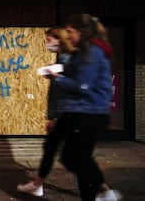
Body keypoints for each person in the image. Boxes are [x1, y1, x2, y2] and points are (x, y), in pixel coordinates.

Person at [47, 13, 121, 201]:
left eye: (70, 31)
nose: (68, 35)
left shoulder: (91, 51)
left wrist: (59, 79)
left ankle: (99, 194)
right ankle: (105, 192)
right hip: (85, 112)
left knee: (78, 160)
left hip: (89, 113)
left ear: (81, 31)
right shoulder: (86, 51)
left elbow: (82, 86)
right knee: (75, 158)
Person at [17, 27, 75, 196]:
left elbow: (63, 91)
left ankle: (102, 190)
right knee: (54, 150)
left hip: (63, 114)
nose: (47, 43)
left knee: (72, 157)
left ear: (59, 39)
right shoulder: (63, 57)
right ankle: (37, 184)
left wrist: (54, 117)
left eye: (49, 40)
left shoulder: (65, 57)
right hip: (64, 113)